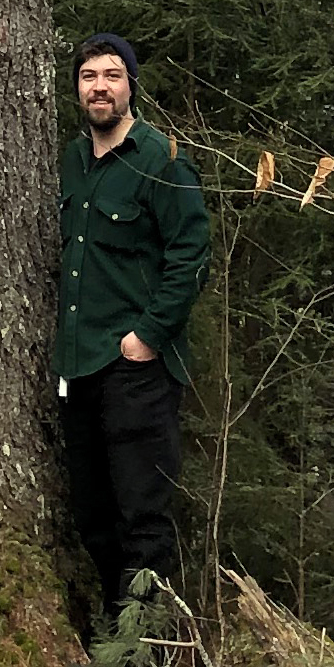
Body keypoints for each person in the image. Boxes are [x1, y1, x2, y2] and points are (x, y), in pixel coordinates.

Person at [54, 34, 210, 631]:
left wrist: (147, 335)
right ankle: (113, 643)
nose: (100, 86)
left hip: (137, 368)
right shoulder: (72, 161)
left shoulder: (162, 161)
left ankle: (146, 658)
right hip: (78, 364)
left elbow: (191, 255)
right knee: (94, 516)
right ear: (77, 88)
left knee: (142, 518)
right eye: (89, 76)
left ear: (130, 86)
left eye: (112, 75)